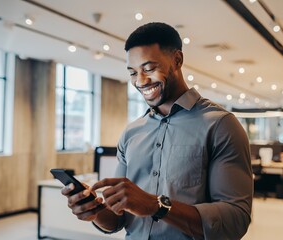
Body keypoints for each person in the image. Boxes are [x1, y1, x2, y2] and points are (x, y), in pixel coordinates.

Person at [62, 22, 253, 240]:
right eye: (133, 72)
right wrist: (94, 211)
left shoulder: (221, 125)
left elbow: (235, 221)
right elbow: (117, 220)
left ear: (177, 60)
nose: (140, 81)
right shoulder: (131, 133)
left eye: (149, 69)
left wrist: (157, 206)